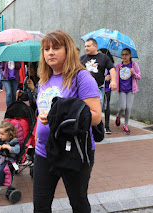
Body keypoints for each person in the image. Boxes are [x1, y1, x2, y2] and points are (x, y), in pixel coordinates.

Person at [33, 30, 101, 212]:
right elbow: (43, 112)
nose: (50, 52)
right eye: (46, 49)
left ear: (68, 50)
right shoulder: (43, 80)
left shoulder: (82, 77)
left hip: (74, 151)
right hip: (44, 150)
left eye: (56, 47)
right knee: (40, 205)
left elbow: (95, 116)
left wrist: (58, 118)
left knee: (78, 203)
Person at [80, 38, 117, 108]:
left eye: (88, 46)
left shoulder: (104, 57)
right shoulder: (82, 58)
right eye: (85, 46)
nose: (86, 48)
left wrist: (113, 81)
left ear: (95, 46)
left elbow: (112, 69)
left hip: (98, 88)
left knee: (98, 109)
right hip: (85, 88)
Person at [115, 48, 141, 134]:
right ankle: (118, 115)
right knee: (123, 107)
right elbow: (115, 76)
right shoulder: (119, 66)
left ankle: (125, 125)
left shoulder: (134, 65)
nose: (124, 56)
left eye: (126, 54)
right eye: (122, 54)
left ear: (130, 55)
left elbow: (139, 77)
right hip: (122, 89)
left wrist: (134, 73)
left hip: (131, 89)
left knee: (128, 108)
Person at [98, 48, 115, 134]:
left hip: (107, 88)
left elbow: (114, 73)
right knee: (98, 107)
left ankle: (107, 126)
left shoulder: (109, 64)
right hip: (98, 88)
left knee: (106, 107)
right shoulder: (98, 63)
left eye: (100, 54)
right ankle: (98, 126)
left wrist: (110, 77)